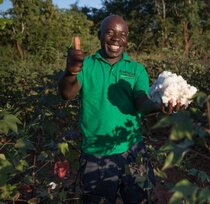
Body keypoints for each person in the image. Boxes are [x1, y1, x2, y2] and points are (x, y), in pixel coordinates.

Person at [58, 15, 181, 204]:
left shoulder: (136, 69)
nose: (116, 38)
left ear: (127, 39)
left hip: (133, 150)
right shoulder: (87, 65)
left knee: (140, 198)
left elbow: (142, 102)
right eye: (110, 32)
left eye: (122, 34)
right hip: (95, 153)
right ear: (100, 35)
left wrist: (159, 105)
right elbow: (67, 93)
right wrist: (71, 72)